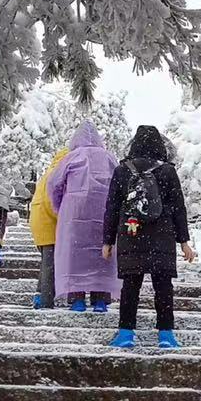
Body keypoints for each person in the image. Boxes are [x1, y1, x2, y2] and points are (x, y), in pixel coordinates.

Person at [103, 125, 197, 350]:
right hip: (161, 235)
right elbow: (178, 207)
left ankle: (126, 333)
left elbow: (112, 208)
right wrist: (184, 242)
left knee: (130, 285)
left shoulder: (122, 170)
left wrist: (107, 241)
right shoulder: (167, 171)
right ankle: (166, 334)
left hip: (131, 233)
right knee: (163, 286)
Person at [47, 122, 120, 313]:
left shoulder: (71, 157)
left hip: (75, 214)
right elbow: (121, 183)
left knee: (75, 255)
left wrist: (59, 207)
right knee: (101, 255)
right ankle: (101, 299)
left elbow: (54, 184)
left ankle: (77, 298)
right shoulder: (109, 158)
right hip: (104, 213)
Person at [28, 147, 70, 309]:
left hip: (40, 221)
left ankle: (39, 297)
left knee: (47, 263)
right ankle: (46, 301)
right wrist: (64, 219)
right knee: (50, 265)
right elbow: (52, 202)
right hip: (49, 223)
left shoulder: (50, 171)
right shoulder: (58, 174)